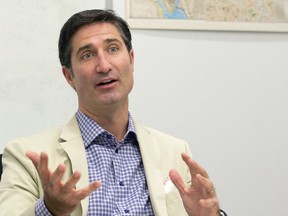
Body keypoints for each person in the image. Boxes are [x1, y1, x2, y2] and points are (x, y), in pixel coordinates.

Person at [0, 9, 227, 216]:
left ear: (131, 59)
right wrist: (50, 209)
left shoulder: (175, 151)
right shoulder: (27, 155)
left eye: (113, 49)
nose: (104, 65)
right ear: (69, 76)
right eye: (87, 55)